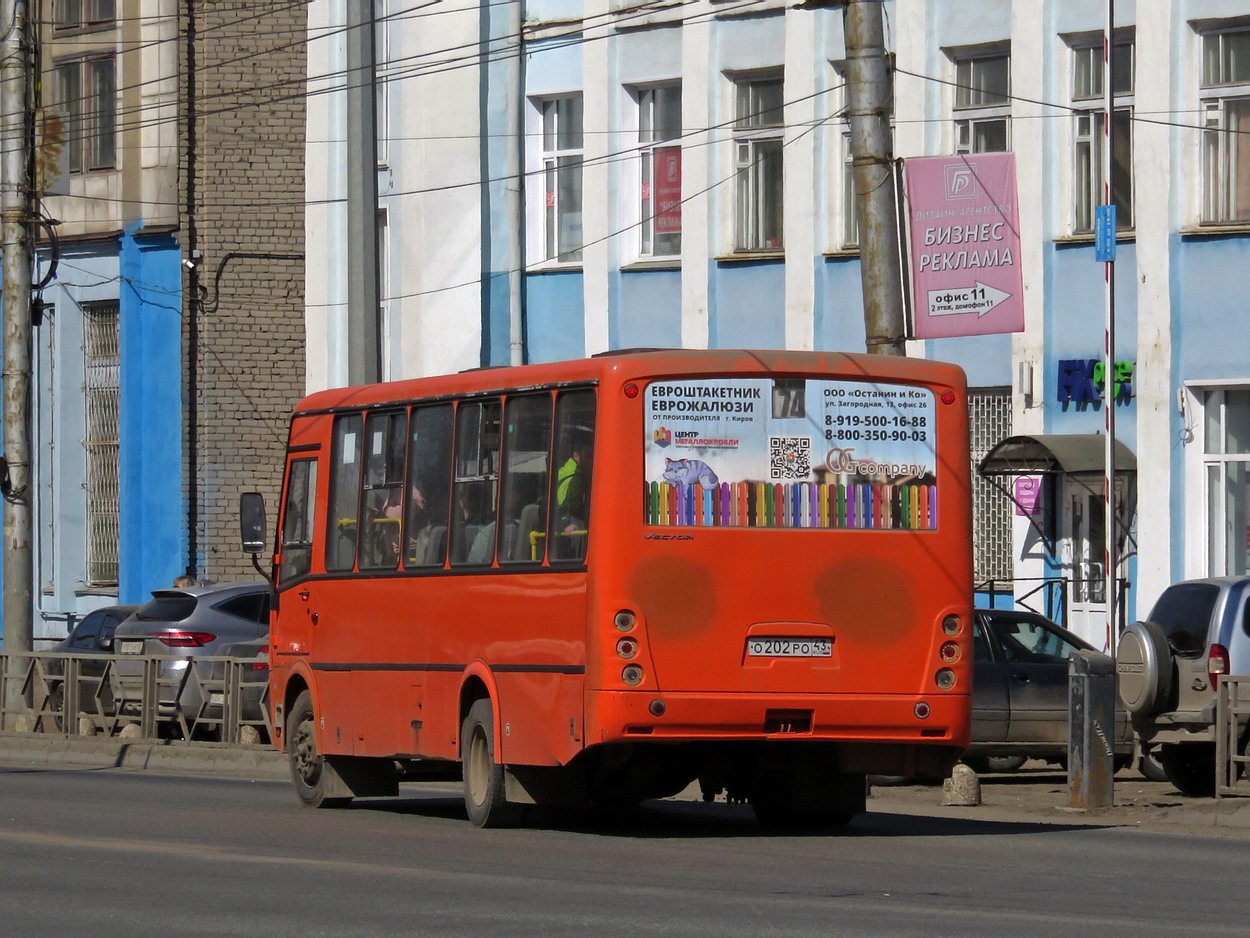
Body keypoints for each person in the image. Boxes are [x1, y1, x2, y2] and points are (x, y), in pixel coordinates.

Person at [556, 436, 591, 533]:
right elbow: (568, 507)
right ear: (576, 456)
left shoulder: (566, 471)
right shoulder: (576, 478)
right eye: (588, 456)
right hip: (572, 529)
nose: (591, 460)